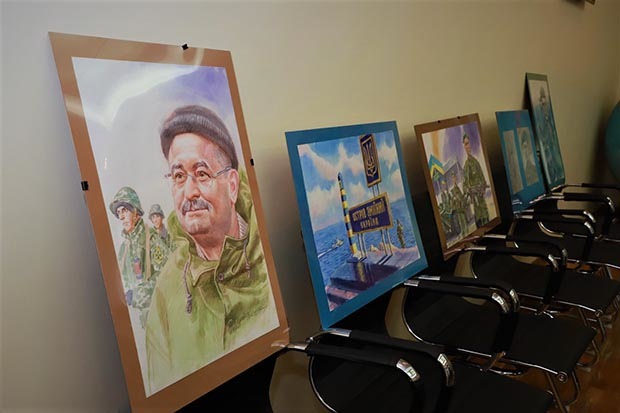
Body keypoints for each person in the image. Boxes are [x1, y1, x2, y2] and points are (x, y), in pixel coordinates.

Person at [145, 105, 278, 394]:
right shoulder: (167, 289)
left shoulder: (268, 254)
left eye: (202, 173)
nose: (189, 192)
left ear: (232, 186)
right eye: (178, 177)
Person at [109, 187, 160, 328]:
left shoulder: (152, 239)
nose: (121, 217)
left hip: (159, 316)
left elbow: (167, 275)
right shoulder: (124, 249)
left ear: (135, 211)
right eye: (118, 213)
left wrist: (138, 294)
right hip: (137, 322)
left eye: (124, 210)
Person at [462, 134, 490, 228]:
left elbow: (483, 178)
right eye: (466, 144)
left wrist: (483, 188)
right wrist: (469, 191)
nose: (468, 146)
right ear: (464, 146)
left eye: (469, 143)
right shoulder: (466, 166)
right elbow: (464, 185)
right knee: (480, 222)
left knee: (486, 218)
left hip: (482, 201)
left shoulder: (476, 162)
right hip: (476, 203)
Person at [449, 172, 468, 238]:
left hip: (461, 207)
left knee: (464, 221)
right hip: (458, 208)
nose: (454, 179)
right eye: (453, 178)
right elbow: (452, 200)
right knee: (461, 222)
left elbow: (461, 196)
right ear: (452, 179)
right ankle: (464, 234)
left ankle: (466, 233)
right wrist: (454, 199)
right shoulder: (452, 189)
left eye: (455, 177)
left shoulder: (457, 187)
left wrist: (464, 197)